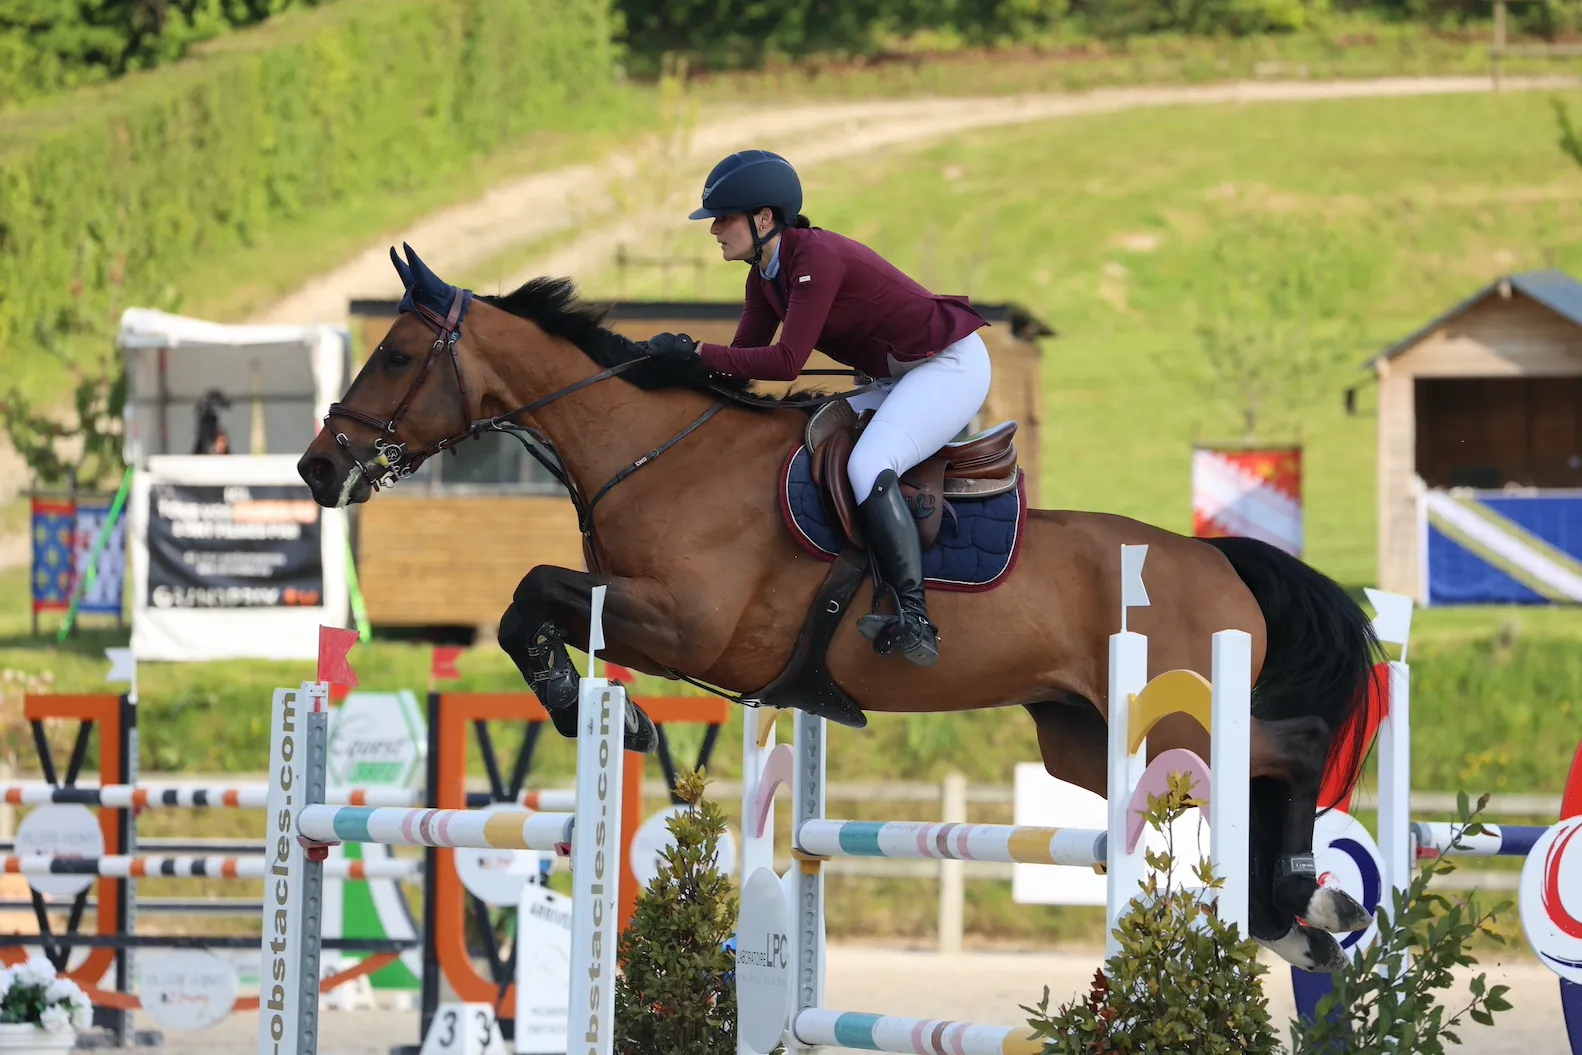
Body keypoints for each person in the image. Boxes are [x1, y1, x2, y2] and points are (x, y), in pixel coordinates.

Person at [643, 150, 993, 668]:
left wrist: (696, 351)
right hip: (901, 375)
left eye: (724, 218)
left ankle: (915, 618)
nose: (714, 229)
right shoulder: (764, 276)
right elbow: (740, 370)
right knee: (806, 433)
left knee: (867, 464)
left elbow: (785, 362)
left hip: (950, 366)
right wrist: (676, 368)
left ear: (764, 219)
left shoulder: (814, 260)